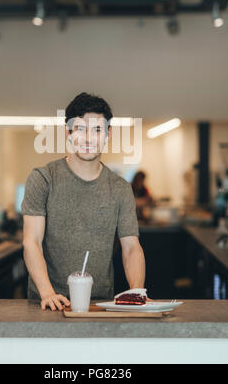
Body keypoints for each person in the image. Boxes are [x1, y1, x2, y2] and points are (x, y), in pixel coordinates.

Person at [22, 92, 146, 311]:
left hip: (99, 304)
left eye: (97, 130)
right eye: (80, 129)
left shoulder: (120, 188)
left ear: (108, 134)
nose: (88, 138)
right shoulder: (43, 179)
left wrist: (136, 291)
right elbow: (31, 241)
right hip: (47, 303)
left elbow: (131, 248)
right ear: (68, 133)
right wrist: (47, 292)